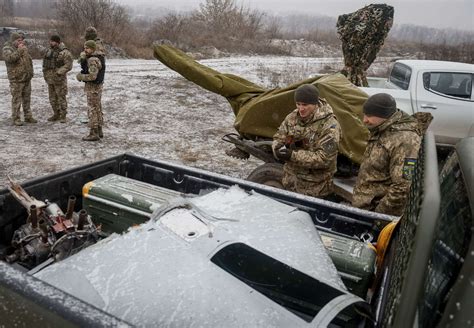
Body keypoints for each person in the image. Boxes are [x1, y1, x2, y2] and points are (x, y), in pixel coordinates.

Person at [352, 93, 425, 216]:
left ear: (384, 115)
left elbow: (403, 187)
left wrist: (379, 215)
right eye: (364, 114)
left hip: (376, 212)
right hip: (365, 205)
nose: (364, 120)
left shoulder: (406, 141)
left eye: (369, 115)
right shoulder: (382, 128)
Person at [272, 84, 341, 199]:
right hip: (290, 183)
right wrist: (277, 148)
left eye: (305, 105)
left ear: (315, 104)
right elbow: (279, 137)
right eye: (298, 104)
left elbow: (324, 159)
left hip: (315, 189)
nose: (301, 108)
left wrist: (292, 156)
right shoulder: (292, 117)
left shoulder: (330, 125)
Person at [2, 32, 37, 126]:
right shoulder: (7, 49)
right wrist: (20, 50)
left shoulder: (22, 48)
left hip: (26, 78)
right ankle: (16, 118)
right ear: (13, 41)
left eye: (22, 40)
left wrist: (30, 72)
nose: (21, 42)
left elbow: (28, 60)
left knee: (27, 99)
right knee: (17, 99)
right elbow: (10, 59)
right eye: (18, 40)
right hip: (16, 79)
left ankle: (28, 116)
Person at [76, 40, 106, 141]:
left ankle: (94, 132)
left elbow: (93, 76)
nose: (85, 50)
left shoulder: (92, 60)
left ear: (93, 49)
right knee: (97, 108)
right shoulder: (96, 57)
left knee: (93, 110)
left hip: (93, 88)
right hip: (97, 88)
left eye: (87, 48)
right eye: (84, 48)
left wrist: (81, 76)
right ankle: (99, 129)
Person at [42, 34, 73, 123]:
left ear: (57, 42)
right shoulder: (49, 51)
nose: (50, 42)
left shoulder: (64, 52)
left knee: (61, 97)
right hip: (50, 79)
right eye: (50, 41)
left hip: (59, 79)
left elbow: (68, 65)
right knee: (52, 98)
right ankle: (56, 114)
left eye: (52, 41)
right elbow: (46, 64)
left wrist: (59, 72)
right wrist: (46, 75)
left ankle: (63, 115)